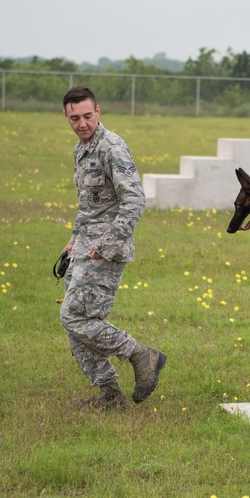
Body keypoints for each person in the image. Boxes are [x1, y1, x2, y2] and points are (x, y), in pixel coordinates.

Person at [58, 86, 166, 410]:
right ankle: (110, 395)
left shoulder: (112, 147)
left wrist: (104, 245)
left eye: (87, 116)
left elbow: (135, 200)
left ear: (98, 111)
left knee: (74, 315)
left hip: (107, 249)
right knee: (76, 320)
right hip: (84, 246)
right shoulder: (81, 149)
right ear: (66, 117)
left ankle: (141, 355)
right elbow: (88, 206)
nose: (82, 123)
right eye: (74, 118)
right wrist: (74, 240)